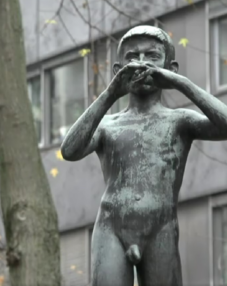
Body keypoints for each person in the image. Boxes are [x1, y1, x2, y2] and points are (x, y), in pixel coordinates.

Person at [61, 25, 227, 286]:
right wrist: (110, 94)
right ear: (118, 72)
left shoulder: (180, 121)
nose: (140, 64)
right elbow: (69, 150)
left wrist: (181, 84)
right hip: (111, 229)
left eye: (151, 56)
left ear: (170, 68)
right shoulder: (107, 125)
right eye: (131, 57)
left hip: (160, 228)